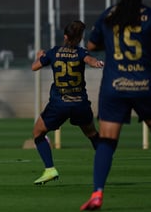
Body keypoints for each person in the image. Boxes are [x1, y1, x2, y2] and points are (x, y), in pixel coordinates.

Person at [80, 0, 151, 211]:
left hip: (114, 86)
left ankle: (97, 193)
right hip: (145, 85)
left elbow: (91, 45)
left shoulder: (109, 15)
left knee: (107, 141)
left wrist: (111, 43)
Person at [31, 20, 104, 185]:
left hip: (59, 104)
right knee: (92, 134)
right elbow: (91, 61)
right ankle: (104, 157)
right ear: (79, 38)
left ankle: (50, 169)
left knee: (38, 133)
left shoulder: (54, 52)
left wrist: (39, 57)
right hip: (80, 104)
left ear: (65, 36)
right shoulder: (81, 52)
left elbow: (34, 67)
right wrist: (98, 63)